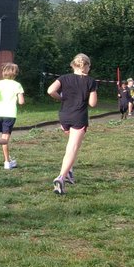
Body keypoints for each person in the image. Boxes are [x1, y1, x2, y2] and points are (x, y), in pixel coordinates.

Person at [46, 53, 99, 195]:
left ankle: (69, 171)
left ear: (73, 65)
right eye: (89, 66)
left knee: (70, 145)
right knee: (72, 148)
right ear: (85, 66)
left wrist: (61, 98)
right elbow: (92, 103)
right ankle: (61, 178)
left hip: (64, 116)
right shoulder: (91, 81)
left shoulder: (63, 78)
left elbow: (50, 90)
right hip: (78, 117)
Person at [0, 62, 26, 169]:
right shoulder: (17, 85)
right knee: (5, 139)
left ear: (3, 72)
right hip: (9, 114)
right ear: (15, 74)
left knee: (4, 137)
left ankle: (7, 162)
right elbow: (21, 102)